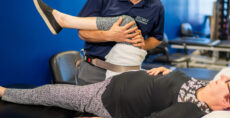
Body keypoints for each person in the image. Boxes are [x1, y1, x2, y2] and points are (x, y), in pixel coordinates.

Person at [0, 67, 230, 118]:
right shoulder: (206, 89)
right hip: (118, 81)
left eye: (228, 83)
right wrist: (169, 71)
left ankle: (4, 93)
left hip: (104, 99)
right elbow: (182, 82)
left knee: (51, 93)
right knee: (57, 92)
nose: (223, 77)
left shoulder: (188, 112)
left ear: (227, 103)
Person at [35, 0, 164, 85]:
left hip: (126, 72)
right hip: (93, 71)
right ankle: (63, 20)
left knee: (126, 21)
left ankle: (64, 21)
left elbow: (156, 38)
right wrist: (110, 35)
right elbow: (83, 33)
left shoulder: (156, 6)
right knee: (87, 117)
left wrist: (143, 44)